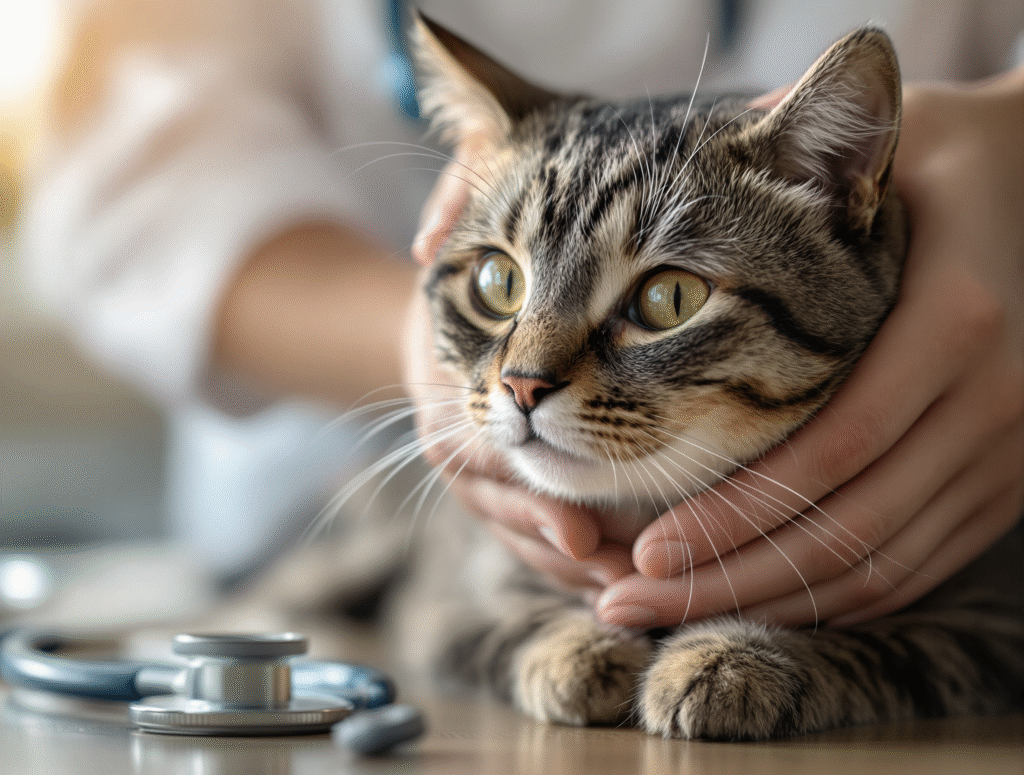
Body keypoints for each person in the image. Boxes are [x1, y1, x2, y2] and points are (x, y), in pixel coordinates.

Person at [23, 0, 1023, 624]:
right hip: (329, 532)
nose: (531, 372)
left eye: (661, 300)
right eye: (500, 289)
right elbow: (124, 174)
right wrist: (413, 349)